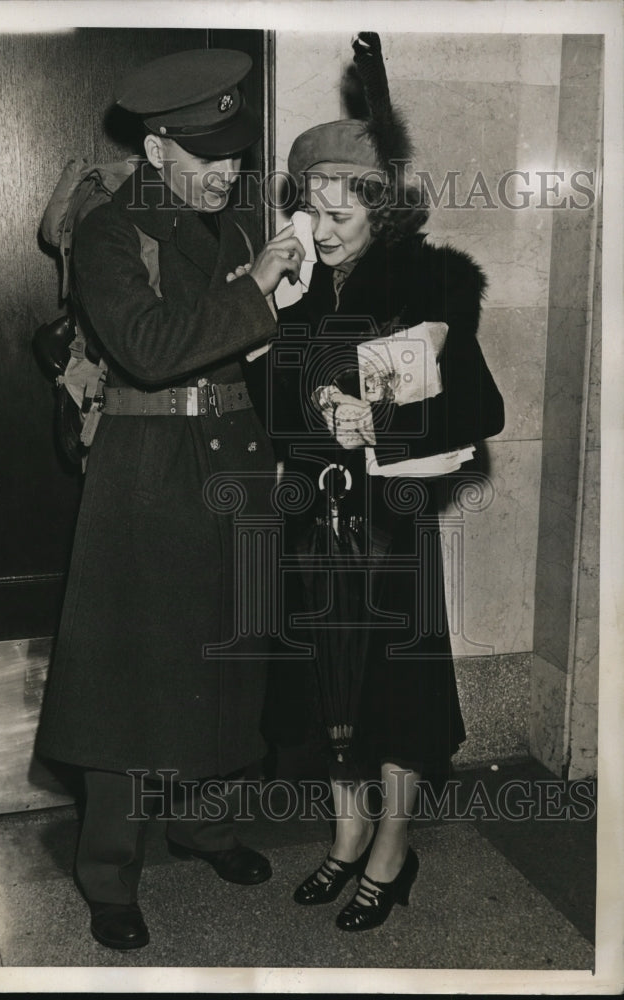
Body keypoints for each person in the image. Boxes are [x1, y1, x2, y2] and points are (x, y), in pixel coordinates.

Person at [35, 47, 305, 951]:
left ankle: (205, 824)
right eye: (204, 160)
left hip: (232, 457)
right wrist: (259, 293)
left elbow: (241, 346)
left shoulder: (229, 226)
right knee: (127, 681)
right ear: (156, 151)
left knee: (230, 659)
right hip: (146, 470)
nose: (226, 175)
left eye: (233, 158)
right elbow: (150, 349)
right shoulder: (112, 231)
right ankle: (109, 870)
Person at [264, 33, 505, 932]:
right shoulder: (301, 284)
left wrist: (384, 422)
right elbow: (269, 405)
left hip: (388, 520)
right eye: (311, 212)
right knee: (327, 684)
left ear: (379, 211)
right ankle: (345, 831)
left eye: (339, 216)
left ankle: (392, 850)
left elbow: (480, 409)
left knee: (394, 691)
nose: (321, 231)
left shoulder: (427, 286)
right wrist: (276, 324)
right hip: (306, 515)